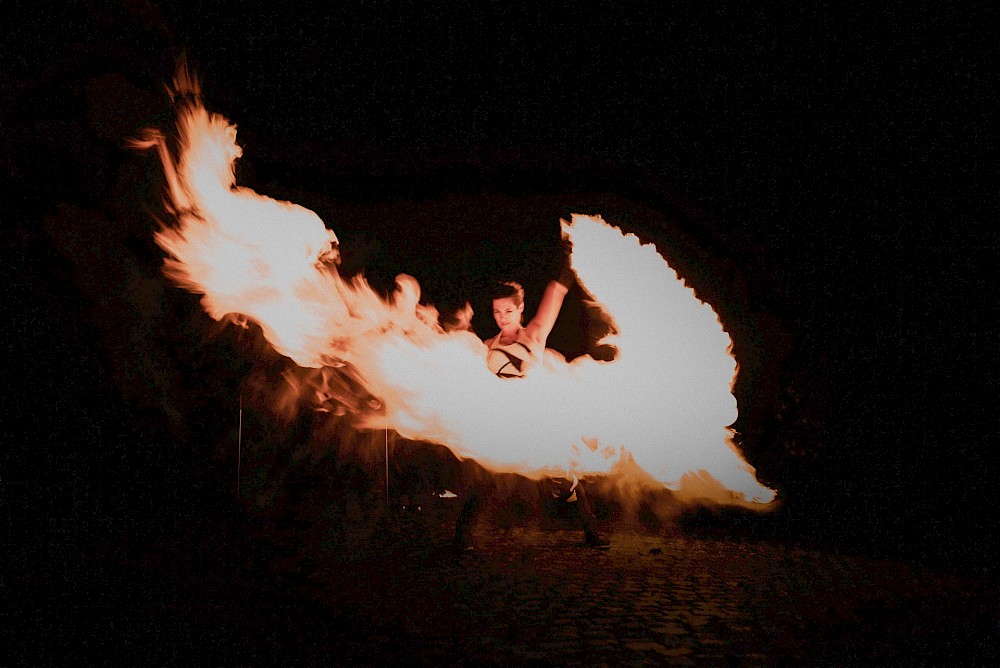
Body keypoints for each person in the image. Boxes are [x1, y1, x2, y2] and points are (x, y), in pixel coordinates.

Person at [452, 243, 611, 551]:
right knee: (485, 476)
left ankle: (591, 532)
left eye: (508, 311)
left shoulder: (535, 335)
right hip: (504, 422)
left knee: (566, 478)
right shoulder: (488, 345)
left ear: (520, 308)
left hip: (536, 420)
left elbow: (557, 292)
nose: (502, 318)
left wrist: (572, 258)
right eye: (497, 312)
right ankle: (462, 537)